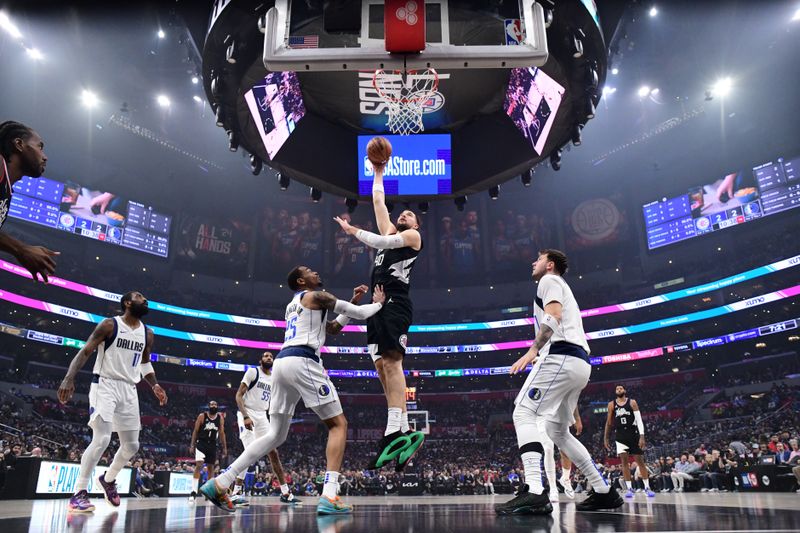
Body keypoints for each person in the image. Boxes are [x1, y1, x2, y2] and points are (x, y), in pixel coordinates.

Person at [200, 266, 385, 514]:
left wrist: (351, 301)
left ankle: (221, 482)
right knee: (338, 424)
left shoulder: (294, 305)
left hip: (282, 364)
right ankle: (330, 495)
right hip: (303, 360)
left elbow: (331, 329)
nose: (316, 272)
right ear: (301, 280)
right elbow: (362, 314)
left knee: (275, 435)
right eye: (309, 271)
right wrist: (379, 303)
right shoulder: (317, 296)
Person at [495, 250, 623, 515]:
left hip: (561, 356)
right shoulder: (560, 285)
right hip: (579, 363)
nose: (533, 262)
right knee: (557, 431)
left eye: (538, 259)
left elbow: (553, 316)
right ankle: (602, 491)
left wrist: (533, 350)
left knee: (523, 411)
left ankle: (534, 490)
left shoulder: (548, 280)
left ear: (549, 264)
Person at [333, 161, 425, 472]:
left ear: (416, 224)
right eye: (402, 213)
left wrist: (351, 230)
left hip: (396, 303)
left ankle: (393, 432)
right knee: (381, 370)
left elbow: (381, 242)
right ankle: (405, 430)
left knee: (392, 362)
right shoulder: (390, 226)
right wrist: (378, 171)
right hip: (377, 305)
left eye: (410, 215)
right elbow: (377, 201)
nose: (403, 216)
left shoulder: (412, 238)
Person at [57, 291, 167, 513]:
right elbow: (86, 350)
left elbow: (144, 363)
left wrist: (154, 385)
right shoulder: (109, 325)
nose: (145, 300)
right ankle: (78, 493)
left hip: (129, 388)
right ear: (127, 303)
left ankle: (108, 480)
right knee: (102, 438)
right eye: (140, 297)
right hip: (104, 385)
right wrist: (69, 377)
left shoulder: (148, 333)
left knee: (132, 445)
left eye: (146, 298)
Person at [230, 351, 299, 506]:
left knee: (273, 452)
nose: (269, 358)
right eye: (266, 356)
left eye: (271, 357)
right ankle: (235, 492)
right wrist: (245, 416)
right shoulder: (252, 372)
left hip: (262, 416)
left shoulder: (274, 378)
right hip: (248, 412)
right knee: (250, 452)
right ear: (260, 360)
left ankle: (285, 492)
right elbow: (238, 396)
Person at [0, 121, 59, 281]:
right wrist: (20, 249)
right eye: (40, 147)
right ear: (19, 144)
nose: (45, 156)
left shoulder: (7, 189)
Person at [603, 385, 656, 498]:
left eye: (621, 388)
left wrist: (642, 436)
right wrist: (606, 438)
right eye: (617, 389)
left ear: (625, 391)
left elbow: (639, 420)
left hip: (633, 434)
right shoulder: (611, 404)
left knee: (640, 461)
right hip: (620, 435)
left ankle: (647, 487)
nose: (619, 390)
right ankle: (629, 489)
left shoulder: (632, 402)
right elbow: (608, 423)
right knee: (624, 463)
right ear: (615, 392)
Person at [188, 401, 227, 502]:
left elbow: (222, 433)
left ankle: (209, 492)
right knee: (199, 464)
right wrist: (192, 445)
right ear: (209, 406)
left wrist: (224, 448)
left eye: (215, 405)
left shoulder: (220, 418)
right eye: (212, 404)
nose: (214, 406)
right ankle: (193, 492)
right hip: (201, 443)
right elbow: (195, 431)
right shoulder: (202, 416)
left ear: (217, 407)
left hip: (213, 444)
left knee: (211, 468)